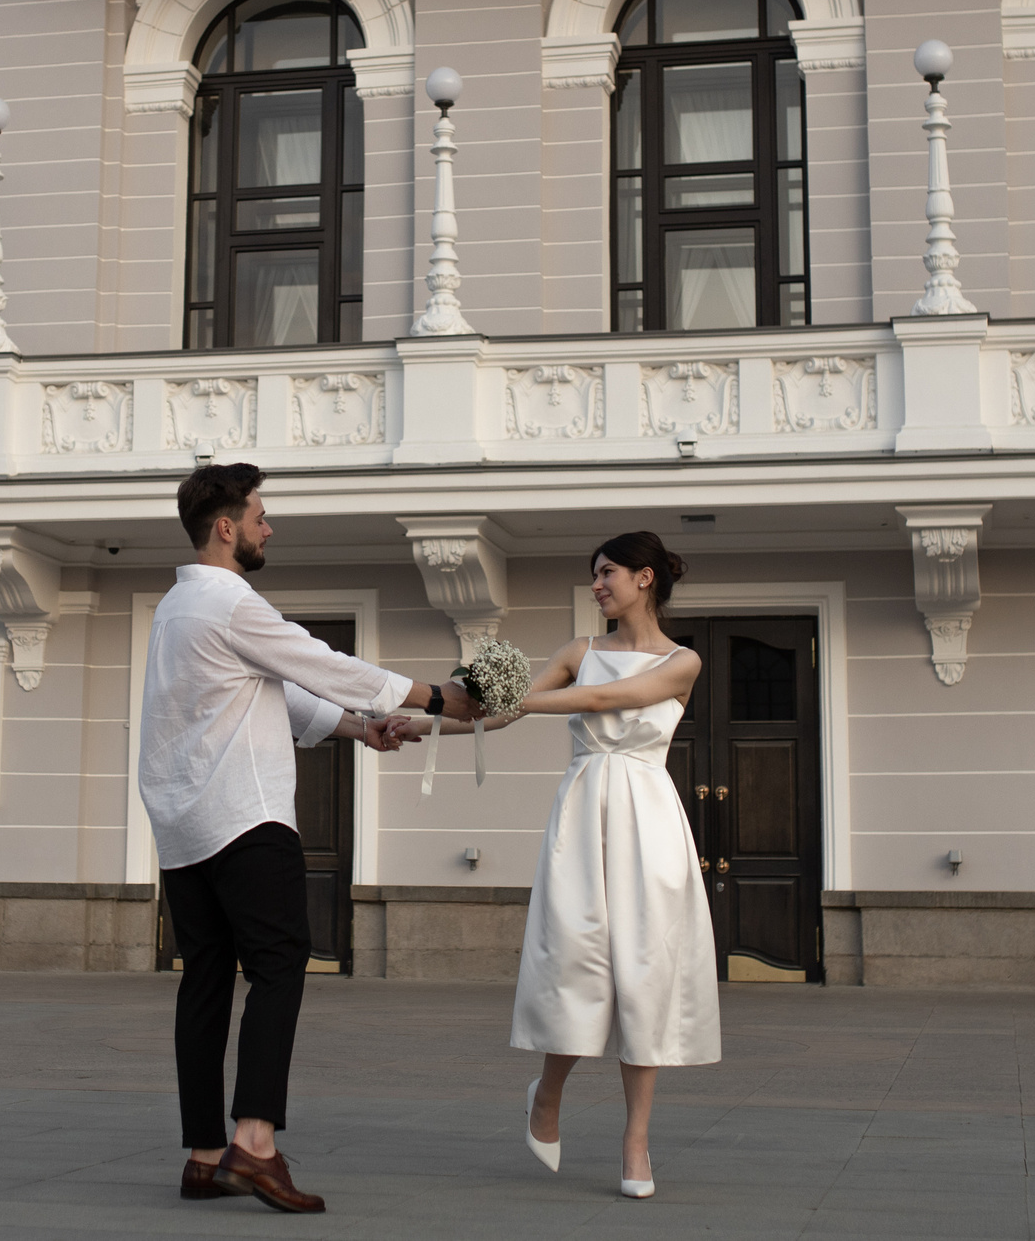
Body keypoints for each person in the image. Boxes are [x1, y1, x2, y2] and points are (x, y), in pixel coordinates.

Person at [143, 462, 482, 1214]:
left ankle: (204, 1154)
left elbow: (276, 689)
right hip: (243, 814)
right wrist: (434, 696)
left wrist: (362, 728)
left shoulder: (176, 607)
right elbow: (319, 662)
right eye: (260, 514)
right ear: (226, 526)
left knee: (205, 976)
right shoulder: (230, 600)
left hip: (181, 822)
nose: (270, 526)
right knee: (279, 962)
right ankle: (255, 1144)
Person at [392, 530, 719, 1198]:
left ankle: (636, 1142)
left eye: (608, 572)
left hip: (649, 819)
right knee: (576, 961)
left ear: (645, 577)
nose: (598, 584)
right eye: (595, 574)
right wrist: (417, 722)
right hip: (582, 814)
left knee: (646, 976)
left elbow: (605, 701)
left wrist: (514, 695)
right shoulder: (579, 650)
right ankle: (548, 1091)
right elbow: (497, 719)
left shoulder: (683, 660)